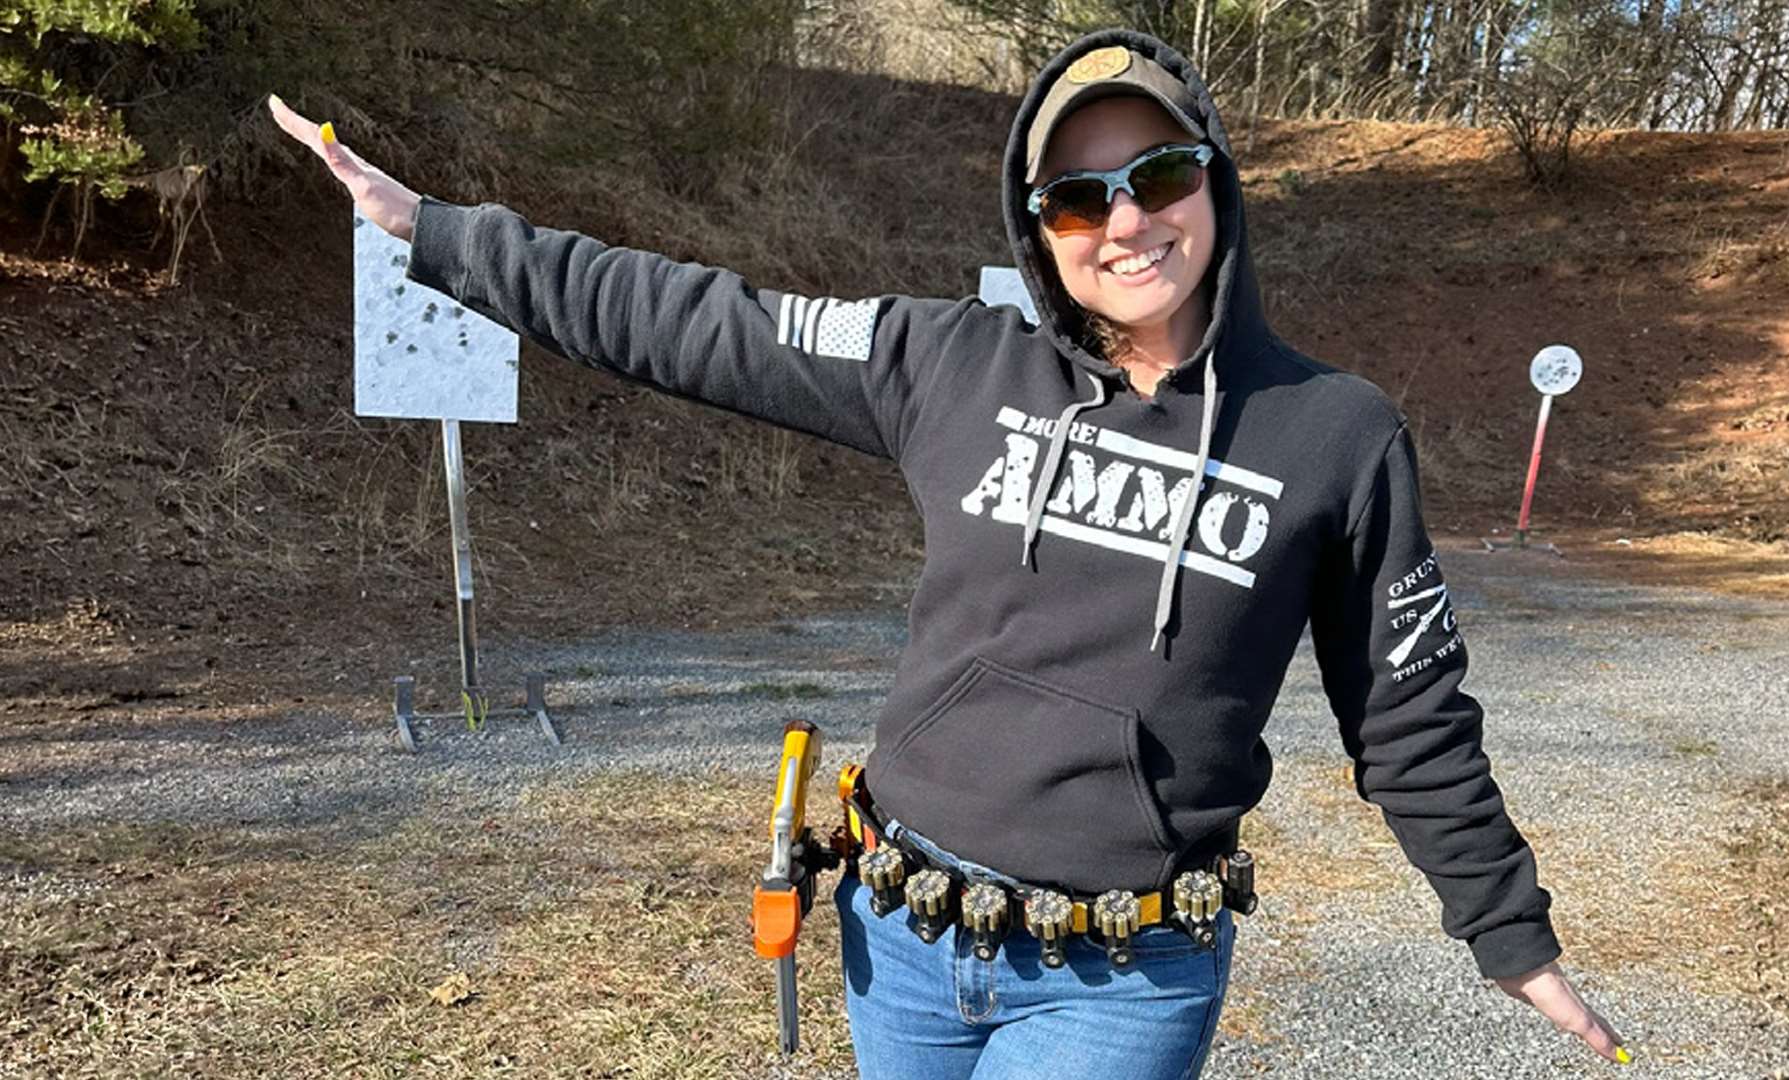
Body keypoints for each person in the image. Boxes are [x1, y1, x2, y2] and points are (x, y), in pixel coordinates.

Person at [272, 26, 1628, 1079]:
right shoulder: (949, 363)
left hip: (1124, 973)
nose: (1125, 221)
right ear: (1038, 230)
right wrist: (437, 234)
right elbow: (701, 319)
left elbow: (1409, 714)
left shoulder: (1335, 434)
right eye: (1077, 197)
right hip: (902, 934)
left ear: (1213, 178)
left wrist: (1508, 932)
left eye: (1157, 175)